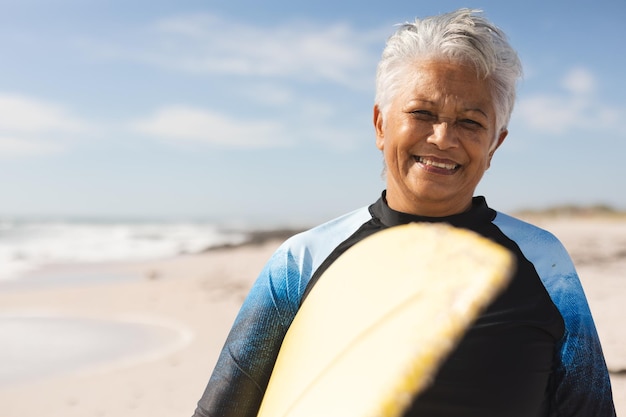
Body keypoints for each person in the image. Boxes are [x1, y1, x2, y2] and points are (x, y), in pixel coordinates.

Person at [192, 9, 616, 417]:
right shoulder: (302, 261)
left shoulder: (544, 263)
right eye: (422, 113)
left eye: (470, 122)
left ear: (495, 144)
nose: (443, 137)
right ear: (380, 124)